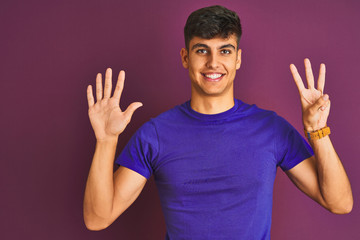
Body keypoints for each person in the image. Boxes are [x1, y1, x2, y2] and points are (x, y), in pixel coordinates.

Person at [83, 5, 353, 239]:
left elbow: (339, 203)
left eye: (225, 51)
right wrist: (106, 141)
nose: (213, 63)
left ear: (238, 59)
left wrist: (318, 131)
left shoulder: (271, 128)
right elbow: (97, 219)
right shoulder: (155, 134)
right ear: (185, 58)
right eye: (202, 50)